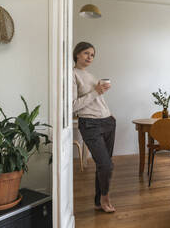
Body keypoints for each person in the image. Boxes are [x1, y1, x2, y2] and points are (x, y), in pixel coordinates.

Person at [72, 42, 116, 213]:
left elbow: (98, 100)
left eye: (92, 55)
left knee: (103, 165)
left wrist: (110, 114)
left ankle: (98, 201)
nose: (89, 57)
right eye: (86, 53)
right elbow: (72, 106)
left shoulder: (90, 75)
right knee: (106, 165)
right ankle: (105, 197)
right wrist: (97, 91)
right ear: (77, 54)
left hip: (108, 122)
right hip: (90, 124)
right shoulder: (72, 74)